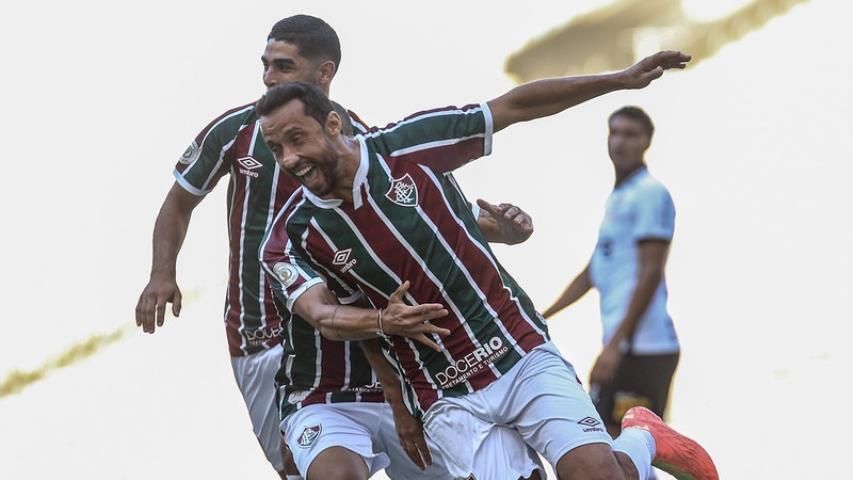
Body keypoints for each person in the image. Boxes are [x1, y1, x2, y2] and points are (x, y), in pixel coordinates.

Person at [258, 50, 717, 480]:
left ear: (333, 124)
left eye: (297, 139)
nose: (290, 159)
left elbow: (515, 105)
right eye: (277, 149)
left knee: (595, 473)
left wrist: (618, 80)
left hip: (516, 350)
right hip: (443, 394)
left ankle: (642, 438)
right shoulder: (294, 232)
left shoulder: (407, 147)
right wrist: (395, 382)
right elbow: (328, 316)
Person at [135, 14, 535, 479]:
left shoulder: (360, 142)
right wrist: (162, 272)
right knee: (299, 468)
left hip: (361, 333)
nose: (268, 77)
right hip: (261, 336)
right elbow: (179, 200)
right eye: (265, 65)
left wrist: (498, 231)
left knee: (439, 466)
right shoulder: (235, 130)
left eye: (283, 66)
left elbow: (424, 221)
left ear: (323, 73)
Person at [542, 107, 680, 446]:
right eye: (614, 132)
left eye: (630, 135)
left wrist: (616, 347)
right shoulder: (618, 196)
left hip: (644, 349)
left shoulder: (649, 193)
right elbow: (593, 271)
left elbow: (650, 272)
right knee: (608, 441)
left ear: (647, 141)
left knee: (625, 446)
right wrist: (539, 316)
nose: (620, 142)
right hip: (623, 347)